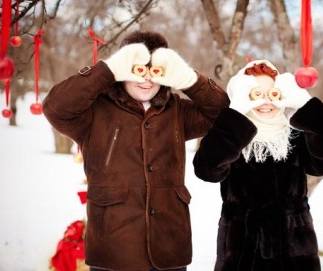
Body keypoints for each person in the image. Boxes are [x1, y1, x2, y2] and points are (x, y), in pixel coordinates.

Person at [43, 30, 229, 271]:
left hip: (170, 248)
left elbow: (224, 114)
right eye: (138, 70)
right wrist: (106, 70)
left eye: (155, 71)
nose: (147, 80)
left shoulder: (178, 111)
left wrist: (189, 79)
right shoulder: (93, 112)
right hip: (113, 250)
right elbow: (55, 108)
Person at [192, 60, 323, 271]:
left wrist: (306, 104)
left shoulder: (294, 136)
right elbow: (206, 170)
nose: (266, 102)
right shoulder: (232, 135)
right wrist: (236, 111)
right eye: (255, 94)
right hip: (242, 252)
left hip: (294, 251)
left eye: (273, 94)